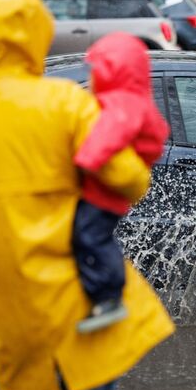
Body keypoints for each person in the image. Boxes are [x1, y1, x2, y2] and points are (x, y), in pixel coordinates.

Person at [0, 0, 174, 390]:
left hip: (8, 305)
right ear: (38, 36)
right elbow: (130, 180)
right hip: (73, 299)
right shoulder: (64, 103)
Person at [73, 32, 170, 334]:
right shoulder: (131, 98)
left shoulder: (122, 102)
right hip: (109, 189)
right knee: (89, 236)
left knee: (91, 237)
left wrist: (85, 159)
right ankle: (102, 296)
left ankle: (110, 296)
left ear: (113, 68)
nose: (91, 75)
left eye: (96, 68)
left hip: (104, 190)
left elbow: (109, 135)